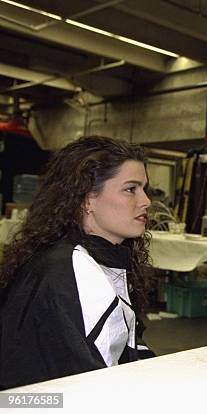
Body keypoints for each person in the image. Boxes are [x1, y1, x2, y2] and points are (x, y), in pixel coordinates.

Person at [0, 136, 152, 390]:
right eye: (131, 189)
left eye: (144, 188)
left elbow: (126, 344)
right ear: (88, 199)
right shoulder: (72, 266)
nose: (146, 201)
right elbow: (86, 387)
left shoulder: (95, 256)